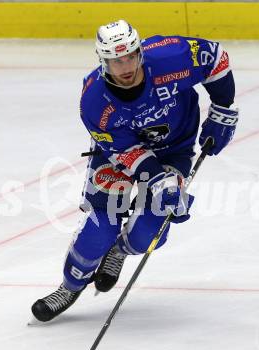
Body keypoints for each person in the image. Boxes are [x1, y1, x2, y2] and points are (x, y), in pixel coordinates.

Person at [31, 20, 238, 322]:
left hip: (174, 149)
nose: (125, 67)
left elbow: (215, 58)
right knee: (99, 228)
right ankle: (70, 285)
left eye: (129, 56)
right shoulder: (94, 101)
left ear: (140, 52)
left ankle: (120, 252)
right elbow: (123, 151)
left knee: (147, 233)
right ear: (103, 62)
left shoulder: (170, 57)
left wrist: (223, 108)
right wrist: (157, 178)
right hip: (119, 155)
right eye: (116, 61)